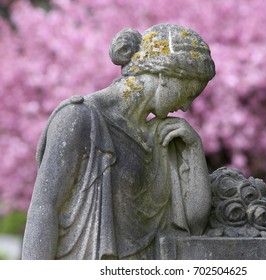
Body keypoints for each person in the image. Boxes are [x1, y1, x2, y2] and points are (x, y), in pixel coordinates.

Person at [22, 23, 215, 259]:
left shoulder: (161, 136)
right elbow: (44, 209)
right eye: (188, 93)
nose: (185, 106)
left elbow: (195, 223)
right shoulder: (78, 119)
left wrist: (194, 147)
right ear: (165, 75)